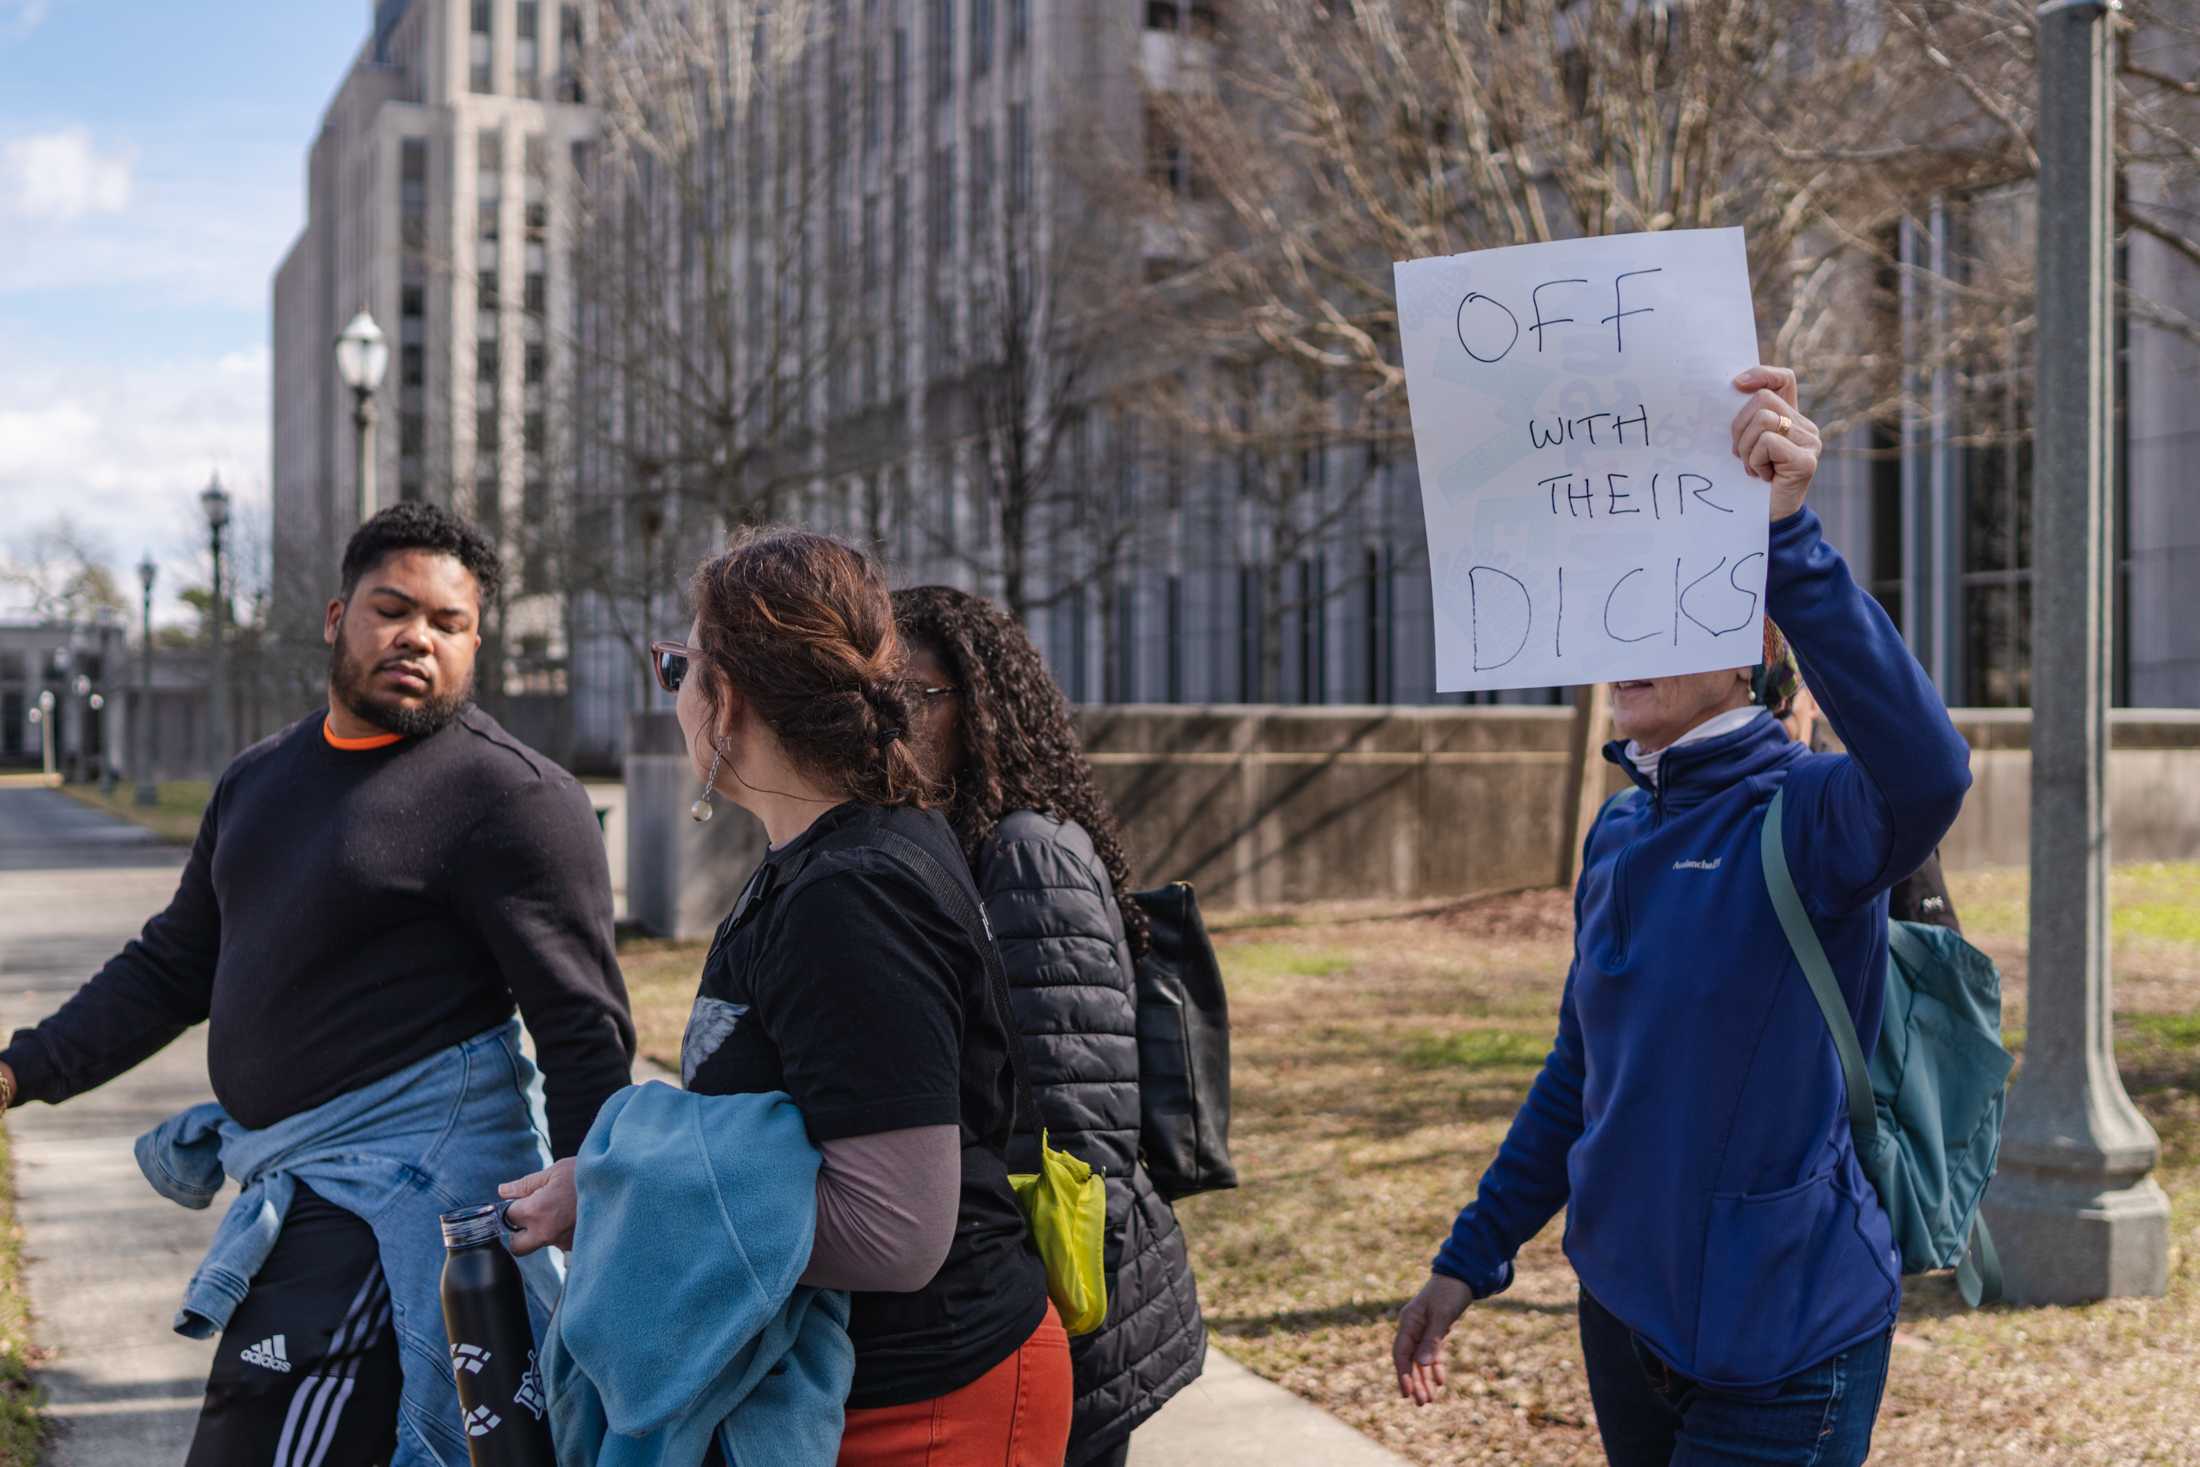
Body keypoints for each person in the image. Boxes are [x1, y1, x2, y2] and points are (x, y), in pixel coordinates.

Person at [1390, 366, 1973, 1466]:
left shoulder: (1805, 814)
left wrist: (1788, 534)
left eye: (1666, 601)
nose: (1628, 631)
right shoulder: (1617, 831)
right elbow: (1582, 1071)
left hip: (1788, 1339)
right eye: (1618, 601)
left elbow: (1930, 773)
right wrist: (1470, 1259)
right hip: (1624, 1323)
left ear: (1752, 647)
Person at [0, 502, 636, 1466]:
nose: (418, 636)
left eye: (449, 623)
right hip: (298, 1188)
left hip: (412, 1203)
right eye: (393, 608)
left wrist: (592, 1208)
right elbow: (175, 965)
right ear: (338, 617)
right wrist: (18, 1071)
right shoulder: (258, 781)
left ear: (476, 644)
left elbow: (582, 1029)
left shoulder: (513, 799)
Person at [499, 528, 1071, 1467]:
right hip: (884, 1386)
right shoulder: (828, 858)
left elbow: (897, 1232)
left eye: (680, 666)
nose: (676, 694)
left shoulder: (854, 893)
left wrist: (621, 1192)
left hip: (932, 1398)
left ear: (726, 700)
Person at [893, 585, 1206, 1467]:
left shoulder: (1025, 850)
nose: (891, 723)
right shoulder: (957, 836)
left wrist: (1032, 1314)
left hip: (1072, 1310)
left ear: (983, 706)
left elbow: (1078, 1130)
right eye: (879, 699)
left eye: (916, 699)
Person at [1785, 679, 1964, 933]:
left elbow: (1938, 951)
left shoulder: (1865, 802)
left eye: (1782, 702)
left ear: (1812, 701)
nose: (1766, 722)